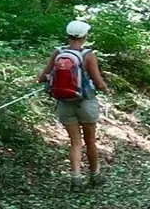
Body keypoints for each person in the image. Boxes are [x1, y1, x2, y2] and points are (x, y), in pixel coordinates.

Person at [39, 19, 110, 186]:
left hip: (64, 103)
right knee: (90, 140)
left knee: (75, 142)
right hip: (85, 102)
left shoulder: (58, 53)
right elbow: (98, 83)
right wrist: (105, 89)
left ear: (68, 35)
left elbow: (42, 78)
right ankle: (95, 175)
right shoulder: (88, 55)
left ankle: (76, 178)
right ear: (84, 36)